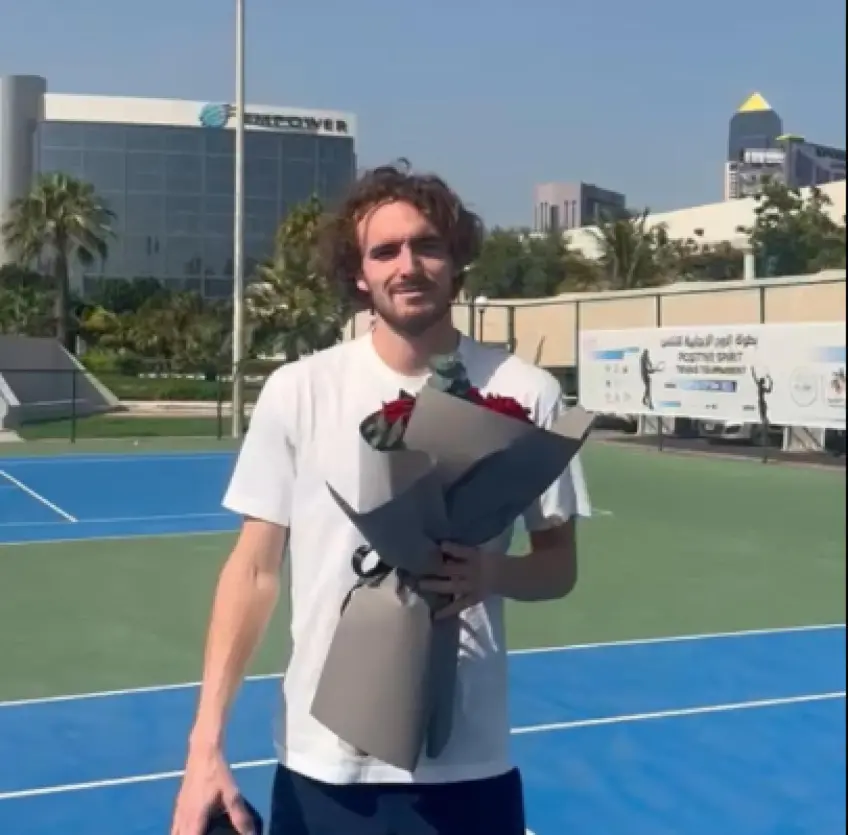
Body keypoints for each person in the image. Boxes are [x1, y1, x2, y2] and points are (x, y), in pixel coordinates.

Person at [170, 160, 591, 835]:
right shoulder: (301, 390)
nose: (408, 265)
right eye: (385, 250)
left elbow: (557, 566)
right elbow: (252, 572)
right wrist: (204, 746)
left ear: (456, 260)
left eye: (427, 245)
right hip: (326, 761)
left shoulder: (528, 392)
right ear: (360, 273)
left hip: (467, 760)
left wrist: (490, 572)